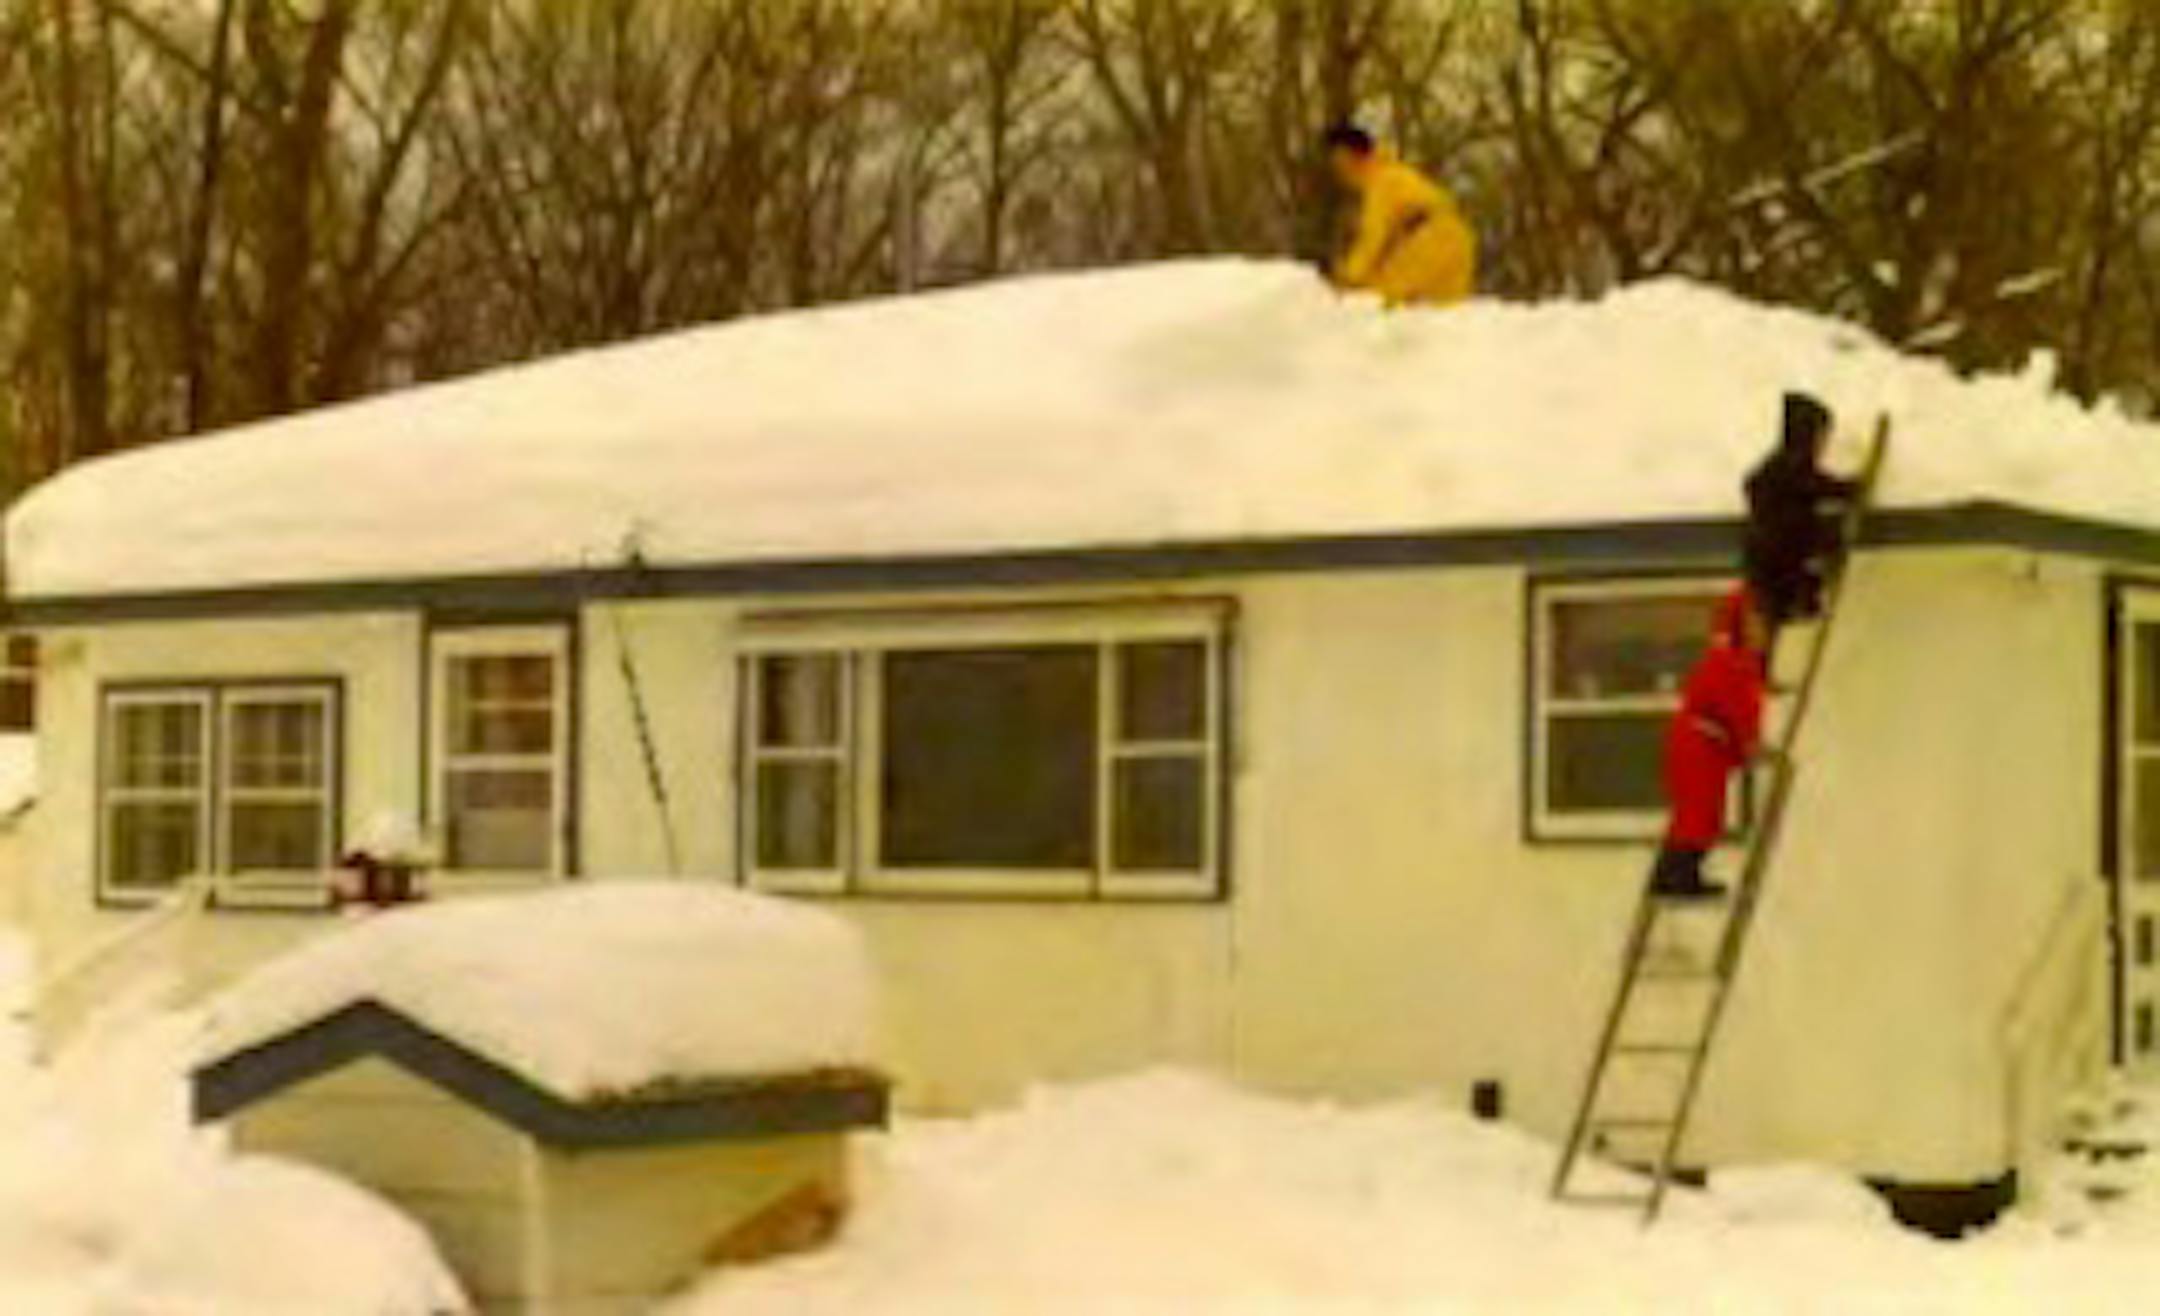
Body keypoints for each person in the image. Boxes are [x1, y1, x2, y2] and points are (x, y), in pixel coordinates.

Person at [1650, 586, 1772, 901]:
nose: (1761, 630)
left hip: (1702, 746)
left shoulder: (1735, 662)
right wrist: (1750, 742)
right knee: (1699, 813)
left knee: (1698, 812)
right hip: (1698, 746)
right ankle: (1679, 876)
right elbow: (1738, 706)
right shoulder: (1730, 662)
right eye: (1754, 622)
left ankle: (1673, 873)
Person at [1322, 123, 1476, 308]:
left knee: (1374, 301)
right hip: (1456, 237)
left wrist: (1349, 276)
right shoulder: (1397, 173)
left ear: (1349, 155)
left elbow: (1373, 236)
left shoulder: (1382, 181)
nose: (1338, 170)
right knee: (1441, 316)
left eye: (1337, 160)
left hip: (1430, 239)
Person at [1743, 392, 1860, 629]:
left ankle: (1799, 605)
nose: (1822, 445)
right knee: (1794, 581)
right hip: (1780, 551)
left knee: (1789, 589)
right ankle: (1801, 603)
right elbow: (1813, 484)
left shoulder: (1783, 466)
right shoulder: (1789, 465)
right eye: (1820, 437)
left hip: (1775, 553)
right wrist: (1849, 489)